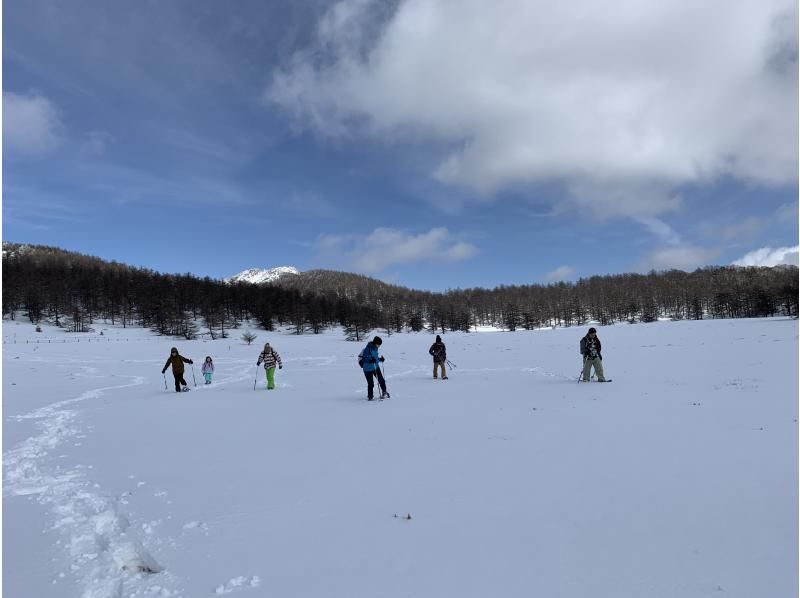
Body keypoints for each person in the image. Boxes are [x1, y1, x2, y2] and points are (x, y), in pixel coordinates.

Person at [360, 336, 389, 400]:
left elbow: (375, 358)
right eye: (379, 344)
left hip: (375, 367)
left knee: (381, 379)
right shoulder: (367, 349)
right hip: (367, 369)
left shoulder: (375, 348)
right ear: (376, 343)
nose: (379, 346)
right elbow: (365, 358)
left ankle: (384, 392)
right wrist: (370, 360)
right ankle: (370, 396)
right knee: (371, 383)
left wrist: (380, 359)